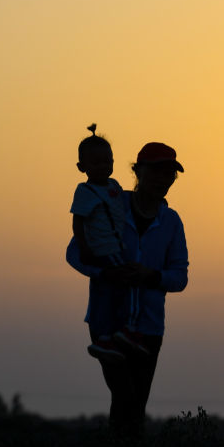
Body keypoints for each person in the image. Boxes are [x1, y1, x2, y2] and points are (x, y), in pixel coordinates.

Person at [67, 141, 189, 437]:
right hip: (107, 324)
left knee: (133, 406)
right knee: (126, 399)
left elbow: (179, 278)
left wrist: (150, 276)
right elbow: (75, 253)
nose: (163, 179)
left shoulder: (171, 221)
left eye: (169, 174)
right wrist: (109, 273)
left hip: (148, 329)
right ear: (138, 171)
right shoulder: (110, 201)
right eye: (156, 171)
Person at [70, 124, 134, 362]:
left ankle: (111, 334)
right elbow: (78, 222)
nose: (103, 167)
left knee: (109, 289)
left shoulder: (114, 186)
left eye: (108, 161)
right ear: (82, 167)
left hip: (115, 249)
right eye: (96, 163)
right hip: (106, 249)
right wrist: (84, 247)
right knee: (124, 284)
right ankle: (115, 333)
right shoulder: (85, 191)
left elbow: (126, 201)